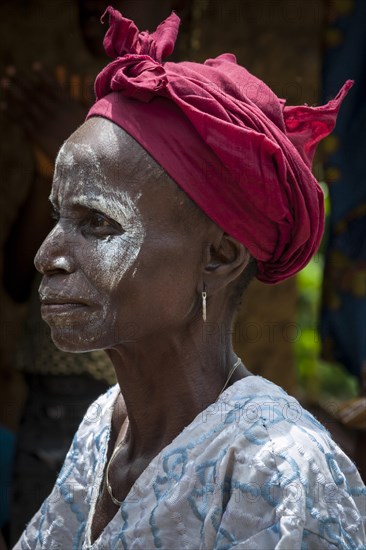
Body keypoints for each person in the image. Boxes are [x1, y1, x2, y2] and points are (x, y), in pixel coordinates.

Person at [14, 7, 366, 549]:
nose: (47, 255)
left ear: (219, 258)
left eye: (98, 223)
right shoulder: (104, 426)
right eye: (59, 216)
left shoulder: (280, 473)